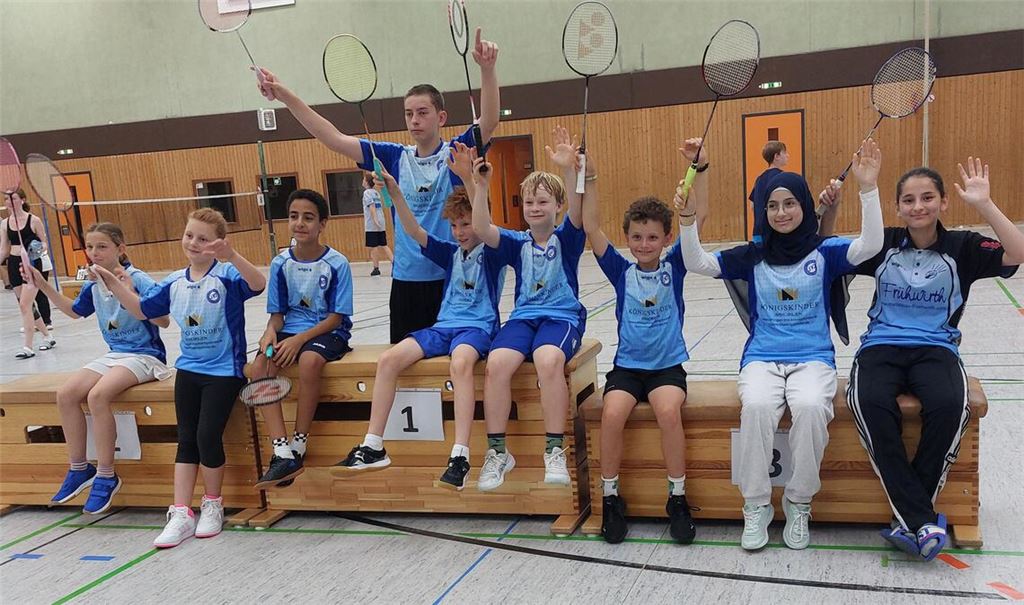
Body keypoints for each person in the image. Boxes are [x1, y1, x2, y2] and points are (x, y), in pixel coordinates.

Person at [679, 139, 884, 551]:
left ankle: (798, 502)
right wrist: (686, 221)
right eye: (772, 206)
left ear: (805, 206)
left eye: (789, 203)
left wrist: (868, 189)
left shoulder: (825, 252)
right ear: (763, 212)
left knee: (810, 408)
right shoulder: (754, 255)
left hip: (813, 360)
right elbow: (697, 262)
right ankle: (755, 506)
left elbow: (871, 246)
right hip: (762, 359)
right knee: (755, 408)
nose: (781, 212)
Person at [256, 29, 500, 344]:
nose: (414, 120)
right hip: (406, 280)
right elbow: (333, 137)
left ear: (441, 117)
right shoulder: (392, 156)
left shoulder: (456, 152)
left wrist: (487, 69)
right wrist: (284, 95)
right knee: (407, 369)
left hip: (450, 278)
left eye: (422, 113)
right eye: (409, 114)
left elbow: (490, 119)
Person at [836, 158, 1022, 561]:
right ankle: (921, 519)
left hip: (936, 348)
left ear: (942, 203)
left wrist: (986, 205)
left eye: (927, 198)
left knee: (950, 406)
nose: (918, 206)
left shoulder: (964, 246)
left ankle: (912, 520)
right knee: (867, 403)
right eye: (908, 200)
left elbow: (1018, 252)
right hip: (881, 346)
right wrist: (859, 190)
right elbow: (830, 249)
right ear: (898, 206)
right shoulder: (882, 242)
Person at [94, 208, 266, 548]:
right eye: (190, 235)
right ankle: (181, 513)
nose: (194, 243)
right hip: (188, 370)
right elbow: (144, 310)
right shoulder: (173, 281)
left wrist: (231, 254)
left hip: (223, 372)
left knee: (206, 435)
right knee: (186, 438)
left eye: (203, 238)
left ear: (216, 243)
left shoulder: (227, 275)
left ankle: (213, 504)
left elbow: (258, 284)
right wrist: (114, 282)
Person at [336, 145, 505, 491]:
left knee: (460, 363)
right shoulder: (450, 253)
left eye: (466, 223)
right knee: (389, 359)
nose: (460, 231)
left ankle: (459, 454)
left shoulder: (494, 251)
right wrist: (396, 192)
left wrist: (470, 181)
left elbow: (484, 222)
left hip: (477, 328)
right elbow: (413, 231)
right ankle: (372, 445)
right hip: (443, 326)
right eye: (455, 225)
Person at [581, 132, 710, 545]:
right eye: (636, 237)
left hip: (667, 368)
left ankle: (676, 497)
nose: (643, 244)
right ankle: (611, 497)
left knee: (669, 414)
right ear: (628, 239)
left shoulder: (677, 263)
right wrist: (593, 177)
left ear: (666, 239)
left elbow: (699, 216)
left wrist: (700, 168)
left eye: (652, 237)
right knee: (611, 414)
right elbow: (590, 225)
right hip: (628, 369)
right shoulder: (621, 271)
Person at [25, 223, 171, 514]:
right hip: (115, 355)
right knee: (66, 394)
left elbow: (163, 320)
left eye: (102, 246)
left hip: (146, 356)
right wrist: (42, 285)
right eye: (90, 247)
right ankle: (79, 468)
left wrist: (126, 291)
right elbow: (74, 312)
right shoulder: (93, 283)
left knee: (98, 395)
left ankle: (106, 473)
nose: (94, 252)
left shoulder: (138, 278)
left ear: (121, 249)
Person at [471, 130, 586, 492]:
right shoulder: (515, 242)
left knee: (548, 359)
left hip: (561, 317)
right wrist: (480, 186)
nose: (535, 208)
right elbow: (480, 228)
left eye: (543, 202)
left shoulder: (566, 237)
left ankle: (554, 449)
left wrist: (569, 171)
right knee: (496, 365)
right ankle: (497, 452)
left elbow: (580, 210)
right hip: (523, 318)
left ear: (557, 206)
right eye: (529, 203)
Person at [251, 190, 353, 489]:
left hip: (327, 331)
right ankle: (282, 450)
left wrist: (298, 341)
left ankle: (300, 441)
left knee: (309, 361)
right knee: (259, 367)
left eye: (308, 218)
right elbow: (277, 314)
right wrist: (270, 331)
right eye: (294, 216)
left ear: (322, 224)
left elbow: (336, 317)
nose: (300, 223)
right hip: (288, 330)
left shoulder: (337, 263)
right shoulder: (280, 263)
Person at [1, 190, 54, 358]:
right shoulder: (4, 223)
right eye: (6, 199)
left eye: (13, 198)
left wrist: (37, 249)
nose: (9, 201)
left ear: (22, 200)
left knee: (25, 305)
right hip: (14, 263)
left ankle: (28, 347)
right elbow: (4, 249)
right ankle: (48, 336)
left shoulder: (34, 220)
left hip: (31, 263)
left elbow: (44, 242)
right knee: (27, 306)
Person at [748, 141, 789, 244]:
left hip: (758, 232)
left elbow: (752, 205)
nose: (788, 155)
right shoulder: (783, 178)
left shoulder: (759, 179)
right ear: (777, 156)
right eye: (785, 153)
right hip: (775, 233)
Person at [362, 172, 393, 276]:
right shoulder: (376, 192)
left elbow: (372, 207)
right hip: (381, 222)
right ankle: (394, 263)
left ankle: (376, 268)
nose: (362, 181)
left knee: (373, 246)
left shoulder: (367, 193)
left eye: (363, 179)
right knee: (383, 244)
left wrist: (375, 220)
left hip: (372, 224)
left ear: (366, 182)